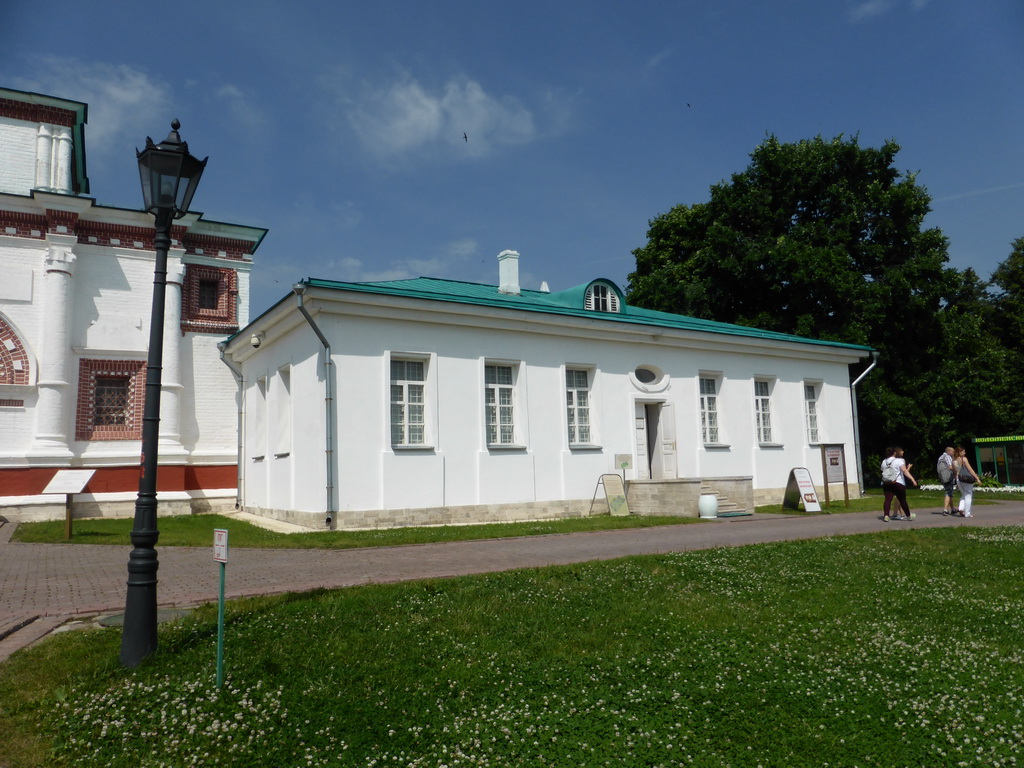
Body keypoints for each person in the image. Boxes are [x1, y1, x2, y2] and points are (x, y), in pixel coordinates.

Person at [881, 446, 917, 522]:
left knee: (887, 499)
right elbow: (904, 471)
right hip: (898, 482)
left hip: (886, 482)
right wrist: (912, 479)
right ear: (894, 453)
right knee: (902, 500)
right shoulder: (899, 461)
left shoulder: (884, 461)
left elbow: (882, 470)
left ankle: (886, 515)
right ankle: (908, 515)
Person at [953, 445, 981, 518]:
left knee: (964, 494)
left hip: (958, 479)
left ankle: (961, 508)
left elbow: (955, 471)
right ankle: (967, 513)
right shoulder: (964, 459)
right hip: (966, 479)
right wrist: (977, 478)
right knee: (968, 495)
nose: (964, 453)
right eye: (963, 451)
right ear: (959, 452)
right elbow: (970, 469)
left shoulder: (954, 460)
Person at [938, 446, 956, 515]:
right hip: (948, 476)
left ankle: (952, 509)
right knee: (948, 493)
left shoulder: (941, 457)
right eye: (953, 451)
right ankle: (945, 510)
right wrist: (957, 471)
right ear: (948, 452)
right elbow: (950, 466)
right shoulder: (948, 457)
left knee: (949, 492)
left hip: (943, 477)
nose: (953, 453)